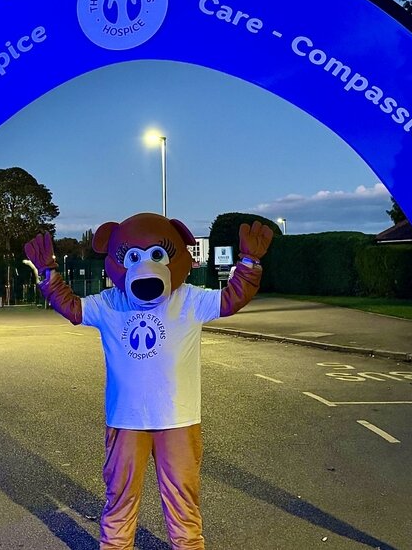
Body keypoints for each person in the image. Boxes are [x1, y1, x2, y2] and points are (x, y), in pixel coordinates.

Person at [24, 213, 272, 550]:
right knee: (120, 498)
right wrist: (49, 275)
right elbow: (73, 308)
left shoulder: (189, 300)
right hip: (127, 420)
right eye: (134, 257)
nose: (146, 267)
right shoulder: (111, 303)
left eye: (158, 255)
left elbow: (231, 298)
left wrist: (249, 262)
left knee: (183, 501)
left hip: (178, 420)